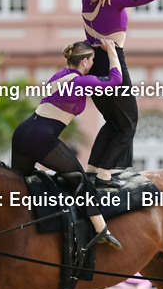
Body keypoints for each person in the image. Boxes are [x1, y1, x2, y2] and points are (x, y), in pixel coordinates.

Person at [11, 40, 124, 250]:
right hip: (41, 137)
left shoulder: (60, 74)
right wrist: (113, 52)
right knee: (80, 179)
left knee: (17, 184)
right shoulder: (82, 82)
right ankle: (101, 230)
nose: (92, 63)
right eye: (91, 60)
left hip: (23, 133)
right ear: (84, 61)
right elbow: (116, 80)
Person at [80, 0, 160, 185]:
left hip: (93, 61)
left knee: (113, 120)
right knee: (128, 122)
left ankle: (93, 168)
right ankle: (106, 173)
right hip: (112, 58)